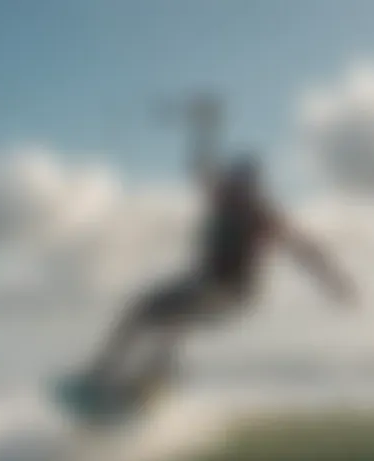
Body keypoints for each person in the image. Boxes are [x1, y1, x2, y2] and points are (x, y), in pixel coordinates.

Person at [86, 95, 357, 398]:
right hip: (204, 283)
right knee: (139, 310)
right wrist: (204, 127)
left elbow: (305, 250)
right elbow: (199, 166)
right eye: (230, 186)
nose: (230, 192)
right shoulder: (221, 196)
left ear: (251, 188)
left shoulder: (261, 215)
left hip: (235, 294)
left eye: (239, 188)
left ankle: (153, 379)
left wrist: (335, 282)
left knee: (179, 314)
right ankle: (100, 373)